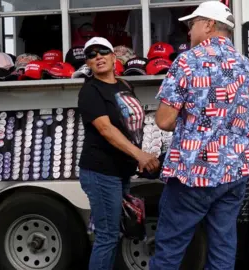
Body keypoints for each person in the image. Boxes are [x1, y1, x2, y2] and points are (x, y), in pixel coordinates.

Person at [149, 1, 249, 269]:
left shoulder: (188, 62)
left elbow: (164, 121)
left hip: (193, 172)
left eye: (192, 25)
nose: (189, 32)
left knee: (170, 248)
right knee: (223, 247)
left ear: (209, 24)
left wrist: (202, 118)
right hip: (234, 172)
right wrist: (226, 122)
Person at [77, 36, 160, 270]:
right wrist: (139, 155)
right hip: (101, 172)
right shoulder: (90, 91)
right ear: (89, 64)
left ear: (114, 57)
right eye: (91, 55)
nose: (98, 57)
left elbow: (130, 125)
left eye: (103, 52)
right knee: (107, 236)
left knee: (116, 233)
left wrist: (140, 155)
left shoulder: (124, 85)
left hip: (120, 171)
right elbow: (106, 129)